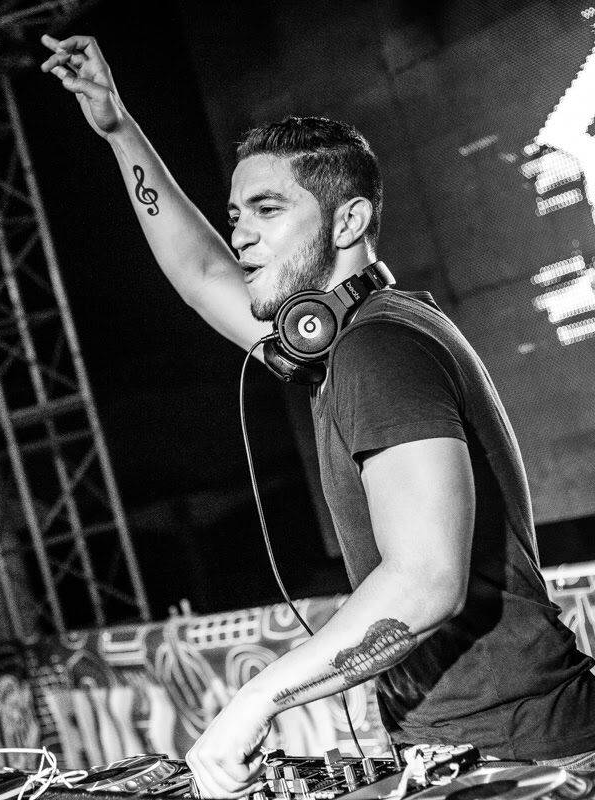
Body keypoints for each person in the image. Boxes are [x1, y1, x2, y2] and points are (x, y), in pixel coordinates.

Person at [39, 33, 595, 796]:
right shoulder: (344, 341)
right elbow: (200, 273)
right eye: (236, 213)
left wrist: (255, 701)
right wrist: (117, 128)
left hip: (525, 755)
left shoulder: (380, 349)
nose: (240, 233)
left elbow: (427, 580)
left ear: (348, 221)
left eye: (267, 210)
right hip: (486, 745)